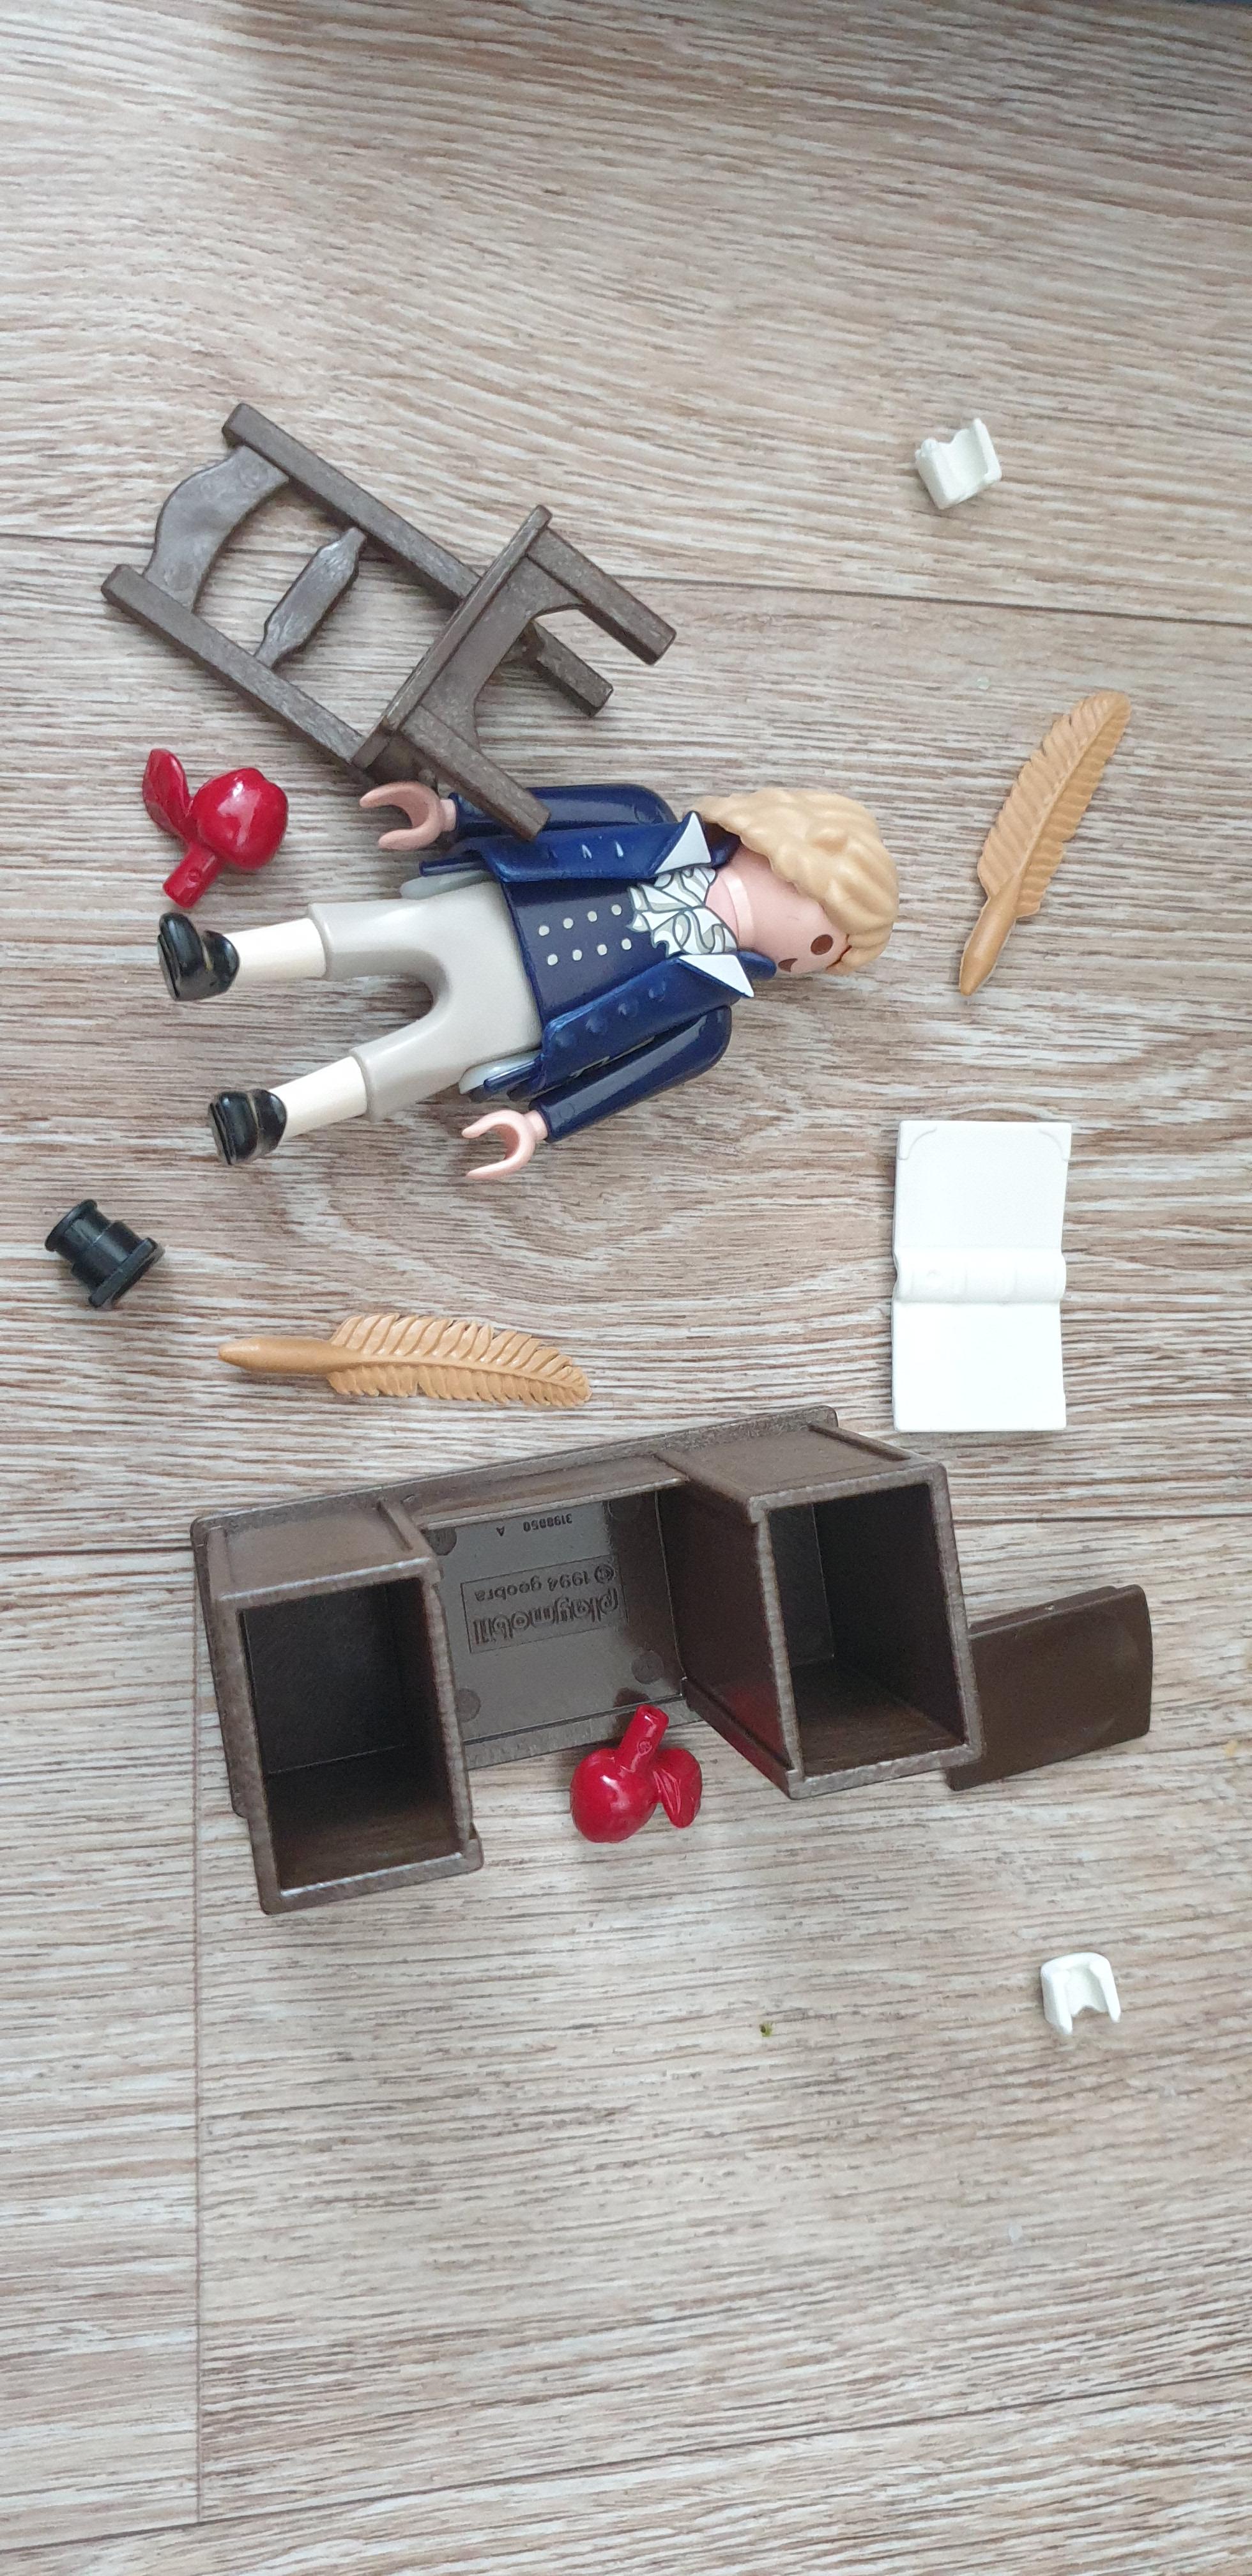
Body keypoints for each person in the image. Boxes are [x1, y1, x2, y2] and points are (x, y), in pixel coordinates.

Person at [157, 779, 898, 1177]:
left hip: (530, 1019)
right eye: (825, 934)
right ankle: (223, 960)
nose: (810, 957)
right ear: (782, 847)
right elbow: (542, 813)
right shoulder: (643, 815)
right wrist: (451, 815)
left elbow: (625, 1080)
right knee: (384, 927)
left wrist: (540, 1123)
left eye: (824, 957)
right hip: (509, 905)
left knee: (419, 1060)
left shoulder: (706, 1023)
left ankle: (275, 1116)